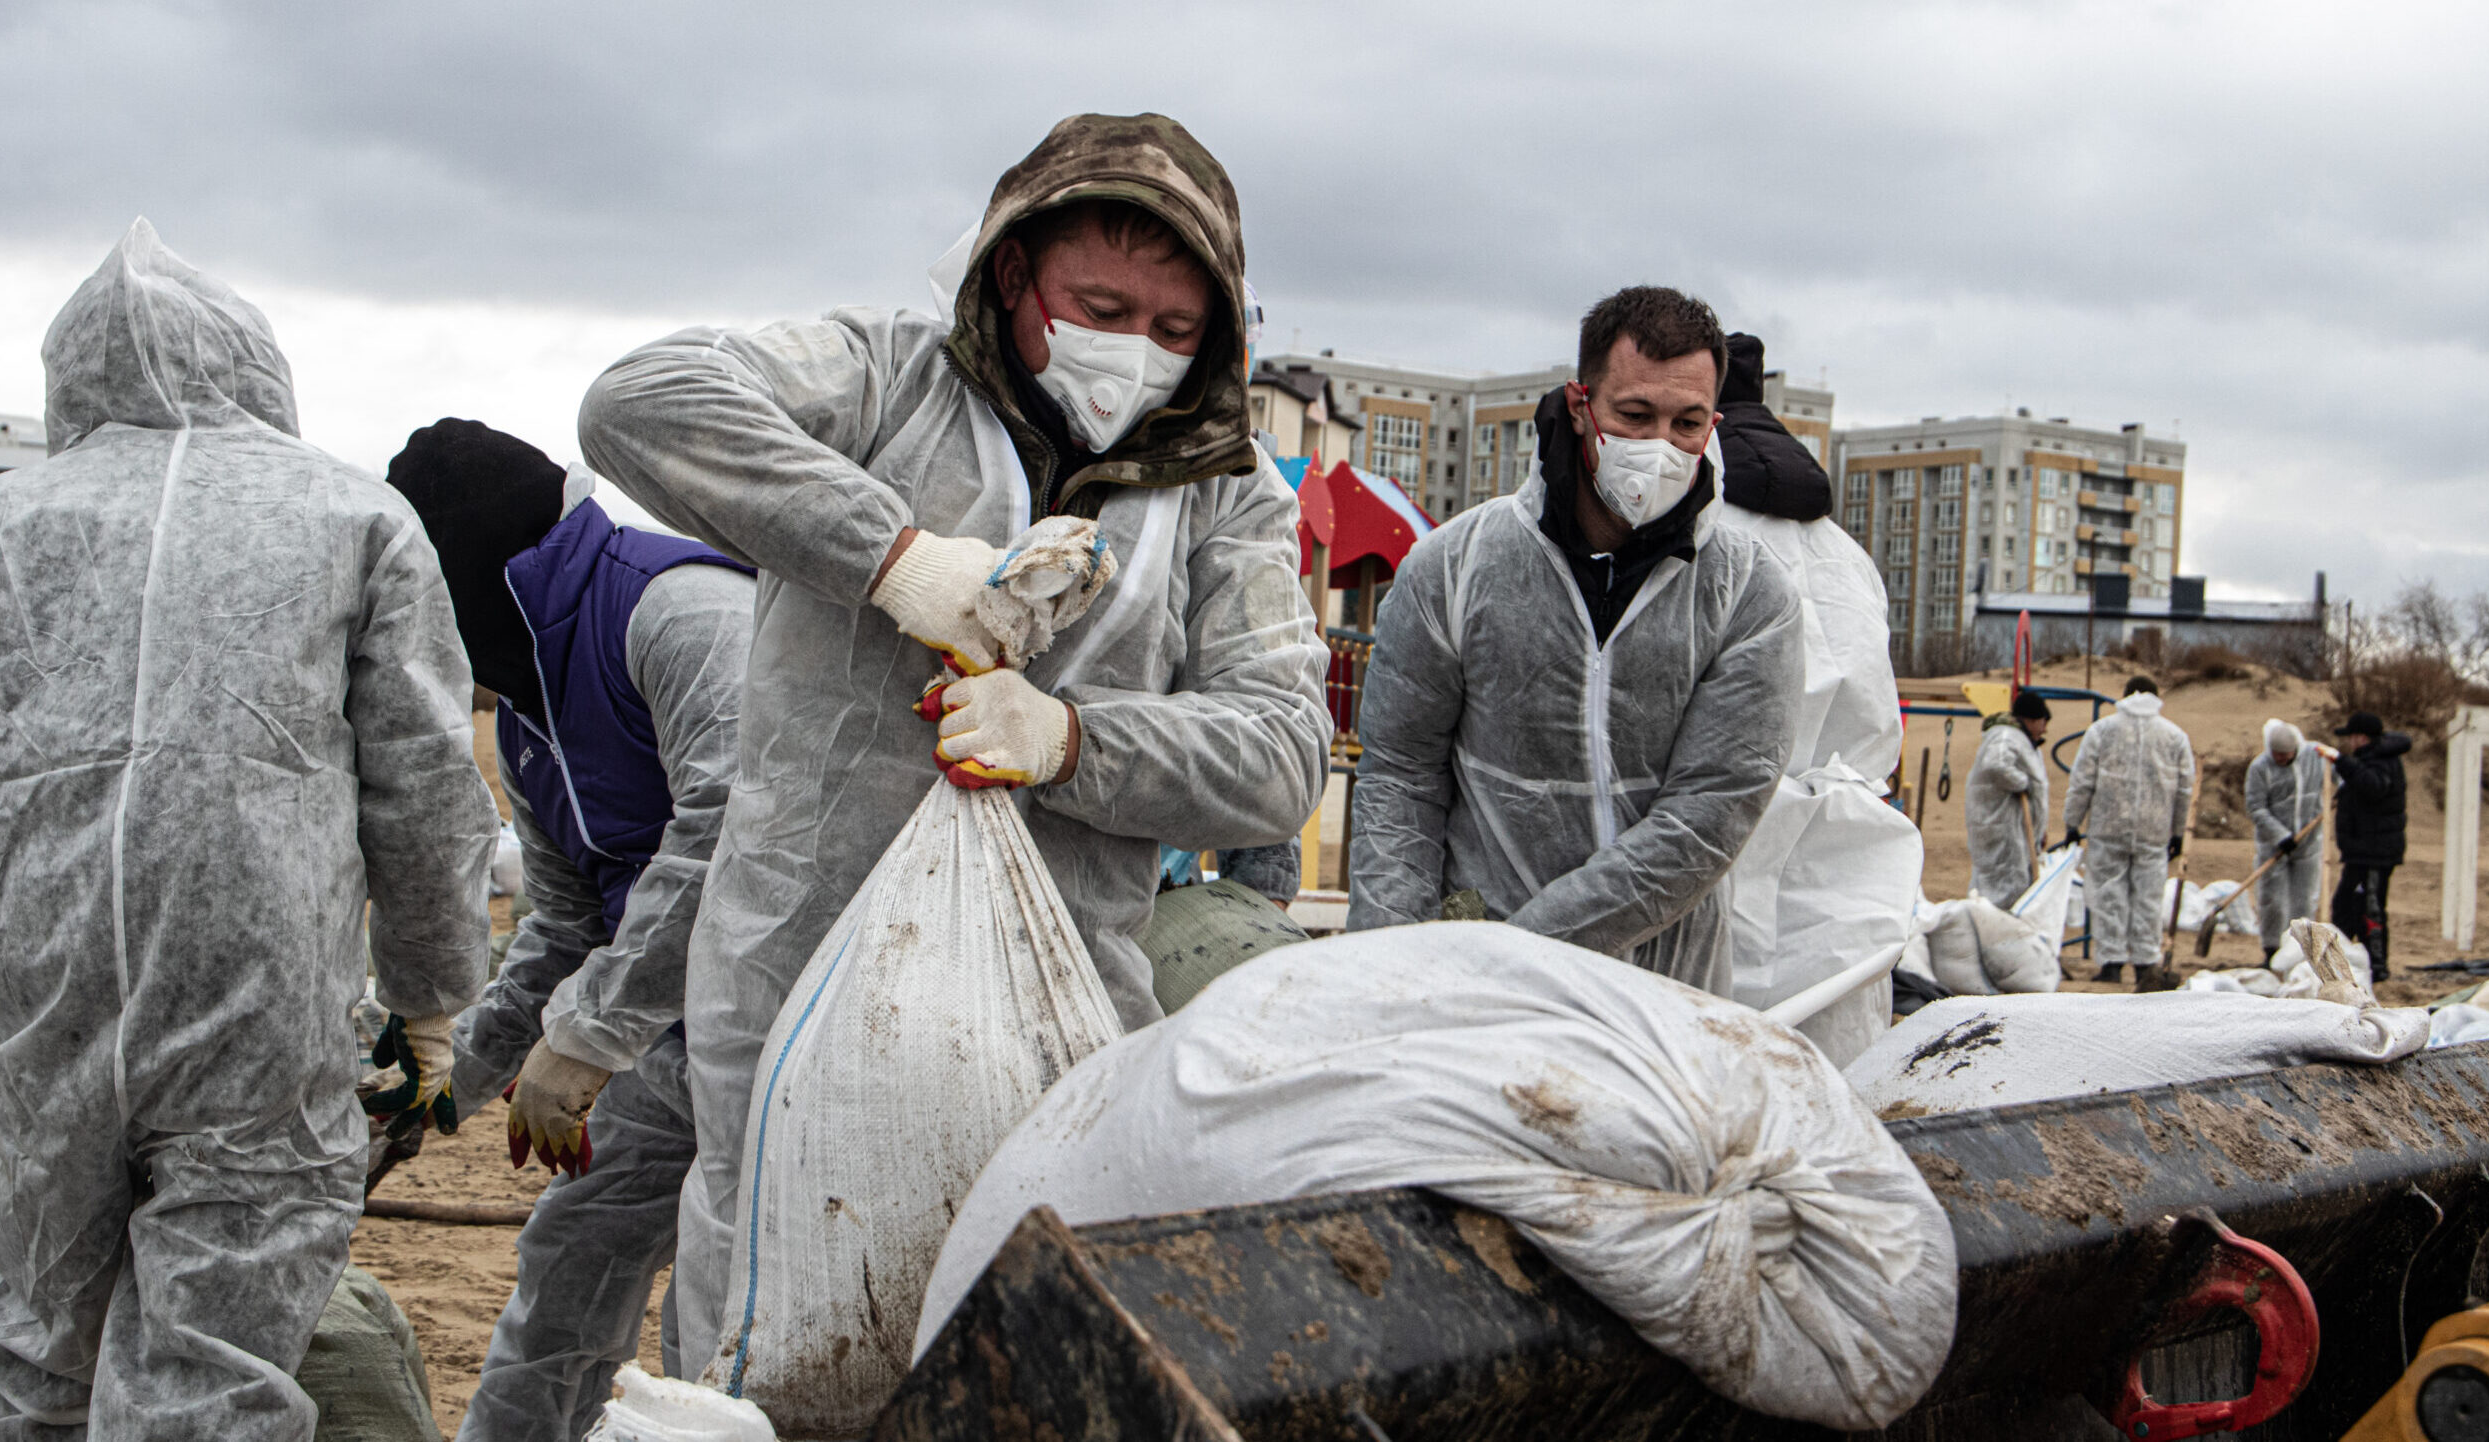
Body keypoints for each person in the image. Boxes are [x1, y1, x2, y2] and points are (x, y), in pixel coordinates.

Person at [577, 112, 1331, 1365]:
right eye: (1098, 305)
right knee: (767, 1344)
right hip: (801, 980)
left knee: (1013, 1352)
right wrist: (894, 559)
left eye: (1173, 330)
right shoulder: (883, 380)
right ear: (1009, 272)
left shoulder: (1225, 494)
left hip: (1055, 1007)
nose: (1130, 352)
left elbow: (1278, 751)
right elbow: (640, 402)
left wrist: (1077, 740)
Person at [0, 221, 496, 1437]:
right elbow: (421, 782)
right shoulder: (349, 517)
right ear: (255, 366)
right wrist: (430, 1000)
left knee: (23, 1344)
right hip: (250, 993)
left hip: (33, 990)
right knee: (212, 1358)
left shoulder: (4, 525)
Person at [383, 420, 754, 1439]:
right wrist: (444, 1078)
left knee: (719, 1323)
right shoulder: (527, 711)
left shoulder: (678, 613)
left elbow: (733, 839)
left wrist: (587, 1037)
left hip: (783, 1032)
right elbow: (565, 921)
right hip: (663, 1035)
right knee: (569, 1266)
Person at [1347, 288, 1804, 989]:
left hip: (1660, 995)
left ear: (1711, 424)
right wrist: (1390, 971)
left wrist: (1519, 957)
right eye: (1634, 415)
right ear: (1581, 403)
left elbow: (1704, 820)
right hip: (1468, 986)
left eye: (1686, 423)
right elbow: (1402, 779)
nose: (1659, 447)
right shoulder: (1457, 566)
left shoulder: (1748, 595)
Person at [1704, 333, 1917, 1065]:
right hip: (1847, 861)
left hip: (1721, 837)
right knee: (1836, 1078)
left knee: (1713, 1070)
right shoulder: (1844, 552)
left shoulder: (1699, 536)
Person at [2062, 676, 2196, 984]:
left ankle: (2111, 963)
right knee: (2147, 897)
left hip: (2108, 827)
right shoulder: (2174, 736)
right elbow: (2184, 789)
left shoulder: (2102, 731)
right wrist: (2177, 832)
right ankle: (2145, 963)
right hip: (2154, 830)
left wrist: (2073, 822)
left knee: (2109, 895)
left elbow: (2082, 780)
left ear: (2123, 696)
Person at [2330, 711, 2411, 982]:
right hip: (2359, 851)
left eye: (2352, 736)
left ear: (2361, 737)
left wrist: (2343, 763)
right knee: (2344, 906)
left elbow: (2374, 787)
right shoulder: (2368, 760)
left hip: (2376, 852)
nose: (2350, 742)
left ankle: (2377, 967)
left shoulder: (2382, 760)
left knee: (2370, 908)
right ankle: (2340, 962)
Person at [2243, 718, 2330, 955]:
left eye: (2285, 754)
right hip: (2274, 845)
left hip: (2308, 843)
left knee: (2304, 901)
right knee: (2272, 902)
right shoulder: (2260, 768)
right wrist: (2280, 835)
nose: (2280, 758)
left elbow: (2335, 774)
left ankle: (2301, 953)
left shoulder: (2313, 757)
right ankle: (2271, 950)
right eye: (2276, 754)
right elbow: (2256, 807)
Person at [1966, 690, 2055, 909]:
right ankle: (1997, 934)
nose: (2045, 728)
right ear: (2030, 719)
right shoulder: (2006, 736)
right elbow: (1996, 765)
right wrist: (2021, 782)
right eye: (2043, 721)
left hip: (2017, 833)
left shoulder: (2023, 740)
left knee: (2017, 887)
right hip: (2004, 831)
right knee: (2004, 889)